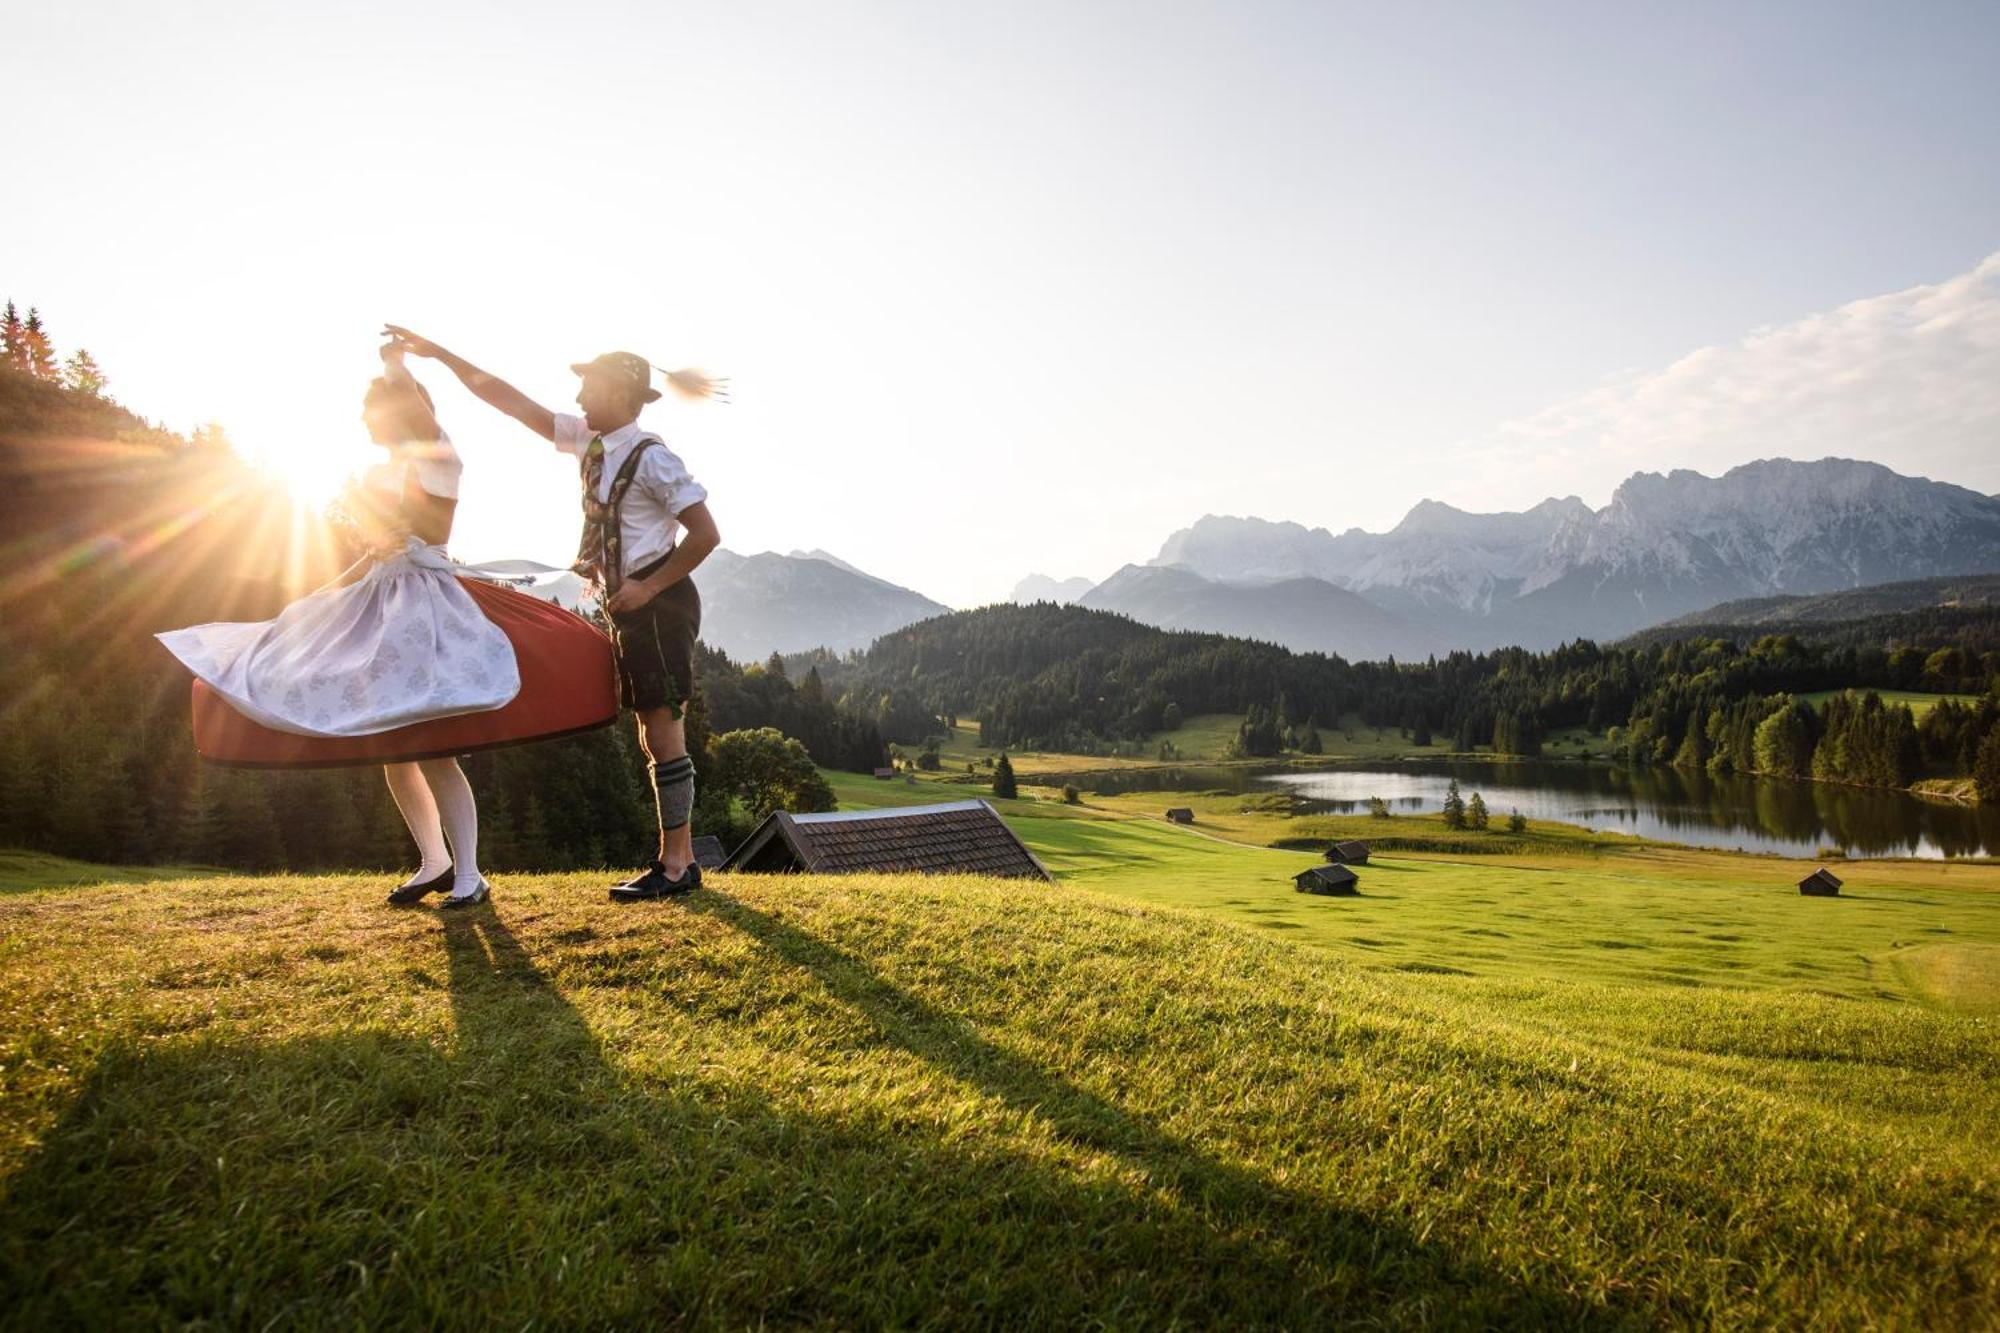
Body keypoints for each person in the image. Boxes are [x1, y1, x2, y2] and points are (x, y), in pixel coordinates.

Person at [158, 345, 516, 908]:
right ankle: (434, 861)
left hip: (423, 605)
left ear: (399, 411)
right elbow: (376, 553)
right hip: (379, 598)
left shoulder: (438, 459)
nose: (363, 419)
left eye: (371, 408)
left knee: (430, 743)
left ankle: (471, 873)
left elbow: (427, 425)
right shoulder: (380, 474)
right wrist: (320, 597)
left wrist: (396, 368)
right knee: (391, 747)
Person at [383, 325, 723, 901]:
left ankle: (677, 867)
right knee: (650, 735)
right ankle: (675, 861)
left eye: (590, 385)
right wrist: (440, 355)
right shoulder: (591, 441)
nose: (579, 396)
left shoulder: (653, 458)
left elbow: (706, 534)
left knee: (664, 735)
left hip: (660, 608)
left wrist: (647, 586)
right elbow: (511, 402)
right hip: (633, 607)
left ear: (620, 392)